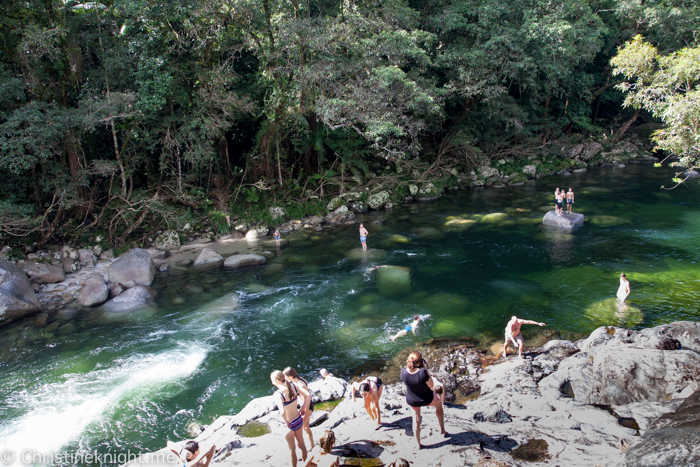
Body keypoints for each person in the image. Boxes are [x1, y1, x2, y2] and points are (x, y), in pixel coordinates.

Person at [400, 351, 446, 449]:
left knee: (416, 420)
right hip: (427, 399)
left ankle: (418, 444)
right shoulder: (422, 373)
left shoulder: (403, 371)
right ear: (420, 362)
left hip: (413, 400)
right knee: (439, 407)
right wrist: (426, 369)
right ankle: (442, 429)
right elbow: (431, 385)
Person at [271, 370, 309, 466]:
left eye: (272, 380)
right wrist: (303, 408)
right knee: (301, 444)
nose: (272, 382)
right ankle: (306, 464)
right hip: (299, 420)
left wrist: (286, 422)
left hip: (289, 425)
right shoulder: (293, 386)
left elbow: (282, 412)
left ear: (277, 381)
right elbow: (308, 396)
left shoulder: (278, 394)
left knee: (292, 450)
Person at [283, 367, 315, 448]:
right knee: (305, 427)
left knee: (303, 428)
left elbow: (307, 399)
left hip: (307, 407)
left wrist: (305, 412)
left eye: (285, 376)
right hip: (304, 406)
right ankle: (312, 445)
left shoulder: (300, 384)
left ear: (290, 376)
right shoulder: (295, 380)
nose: (284, 378)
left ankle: (309, 446)